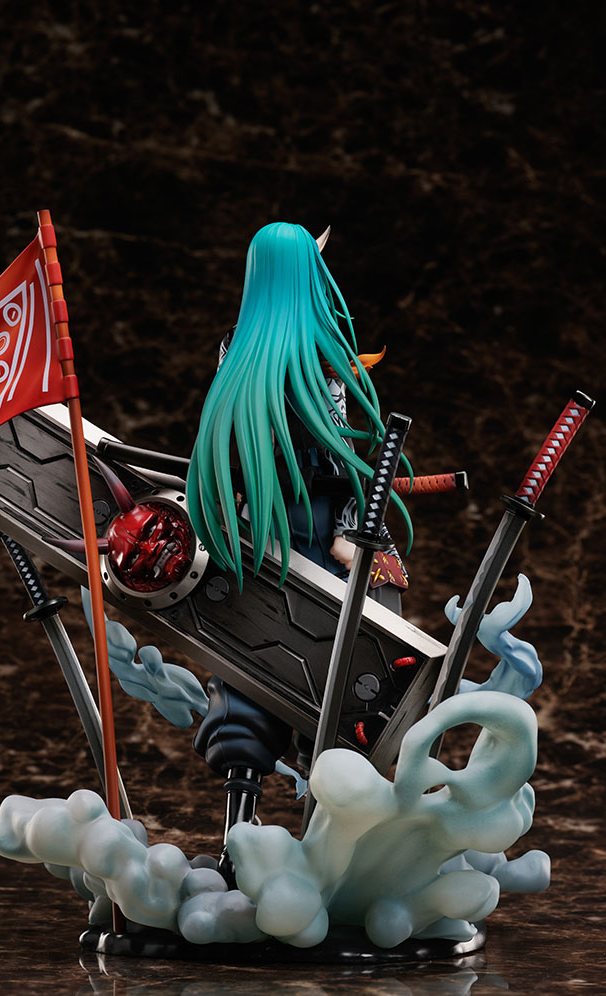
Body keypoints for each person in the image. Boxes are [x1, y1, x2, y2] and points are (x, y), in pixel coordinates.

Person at [186, 223, 411, 880]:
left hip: (282, 534)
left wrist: (351, 528)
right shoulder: (278, 357)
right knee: (262, 680)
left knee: (317, 685)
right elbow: (327, 461)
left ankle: (298, 848)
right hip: (269, 534)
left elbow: (344, 467)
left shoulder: (249, 353)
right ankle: (248, 845)